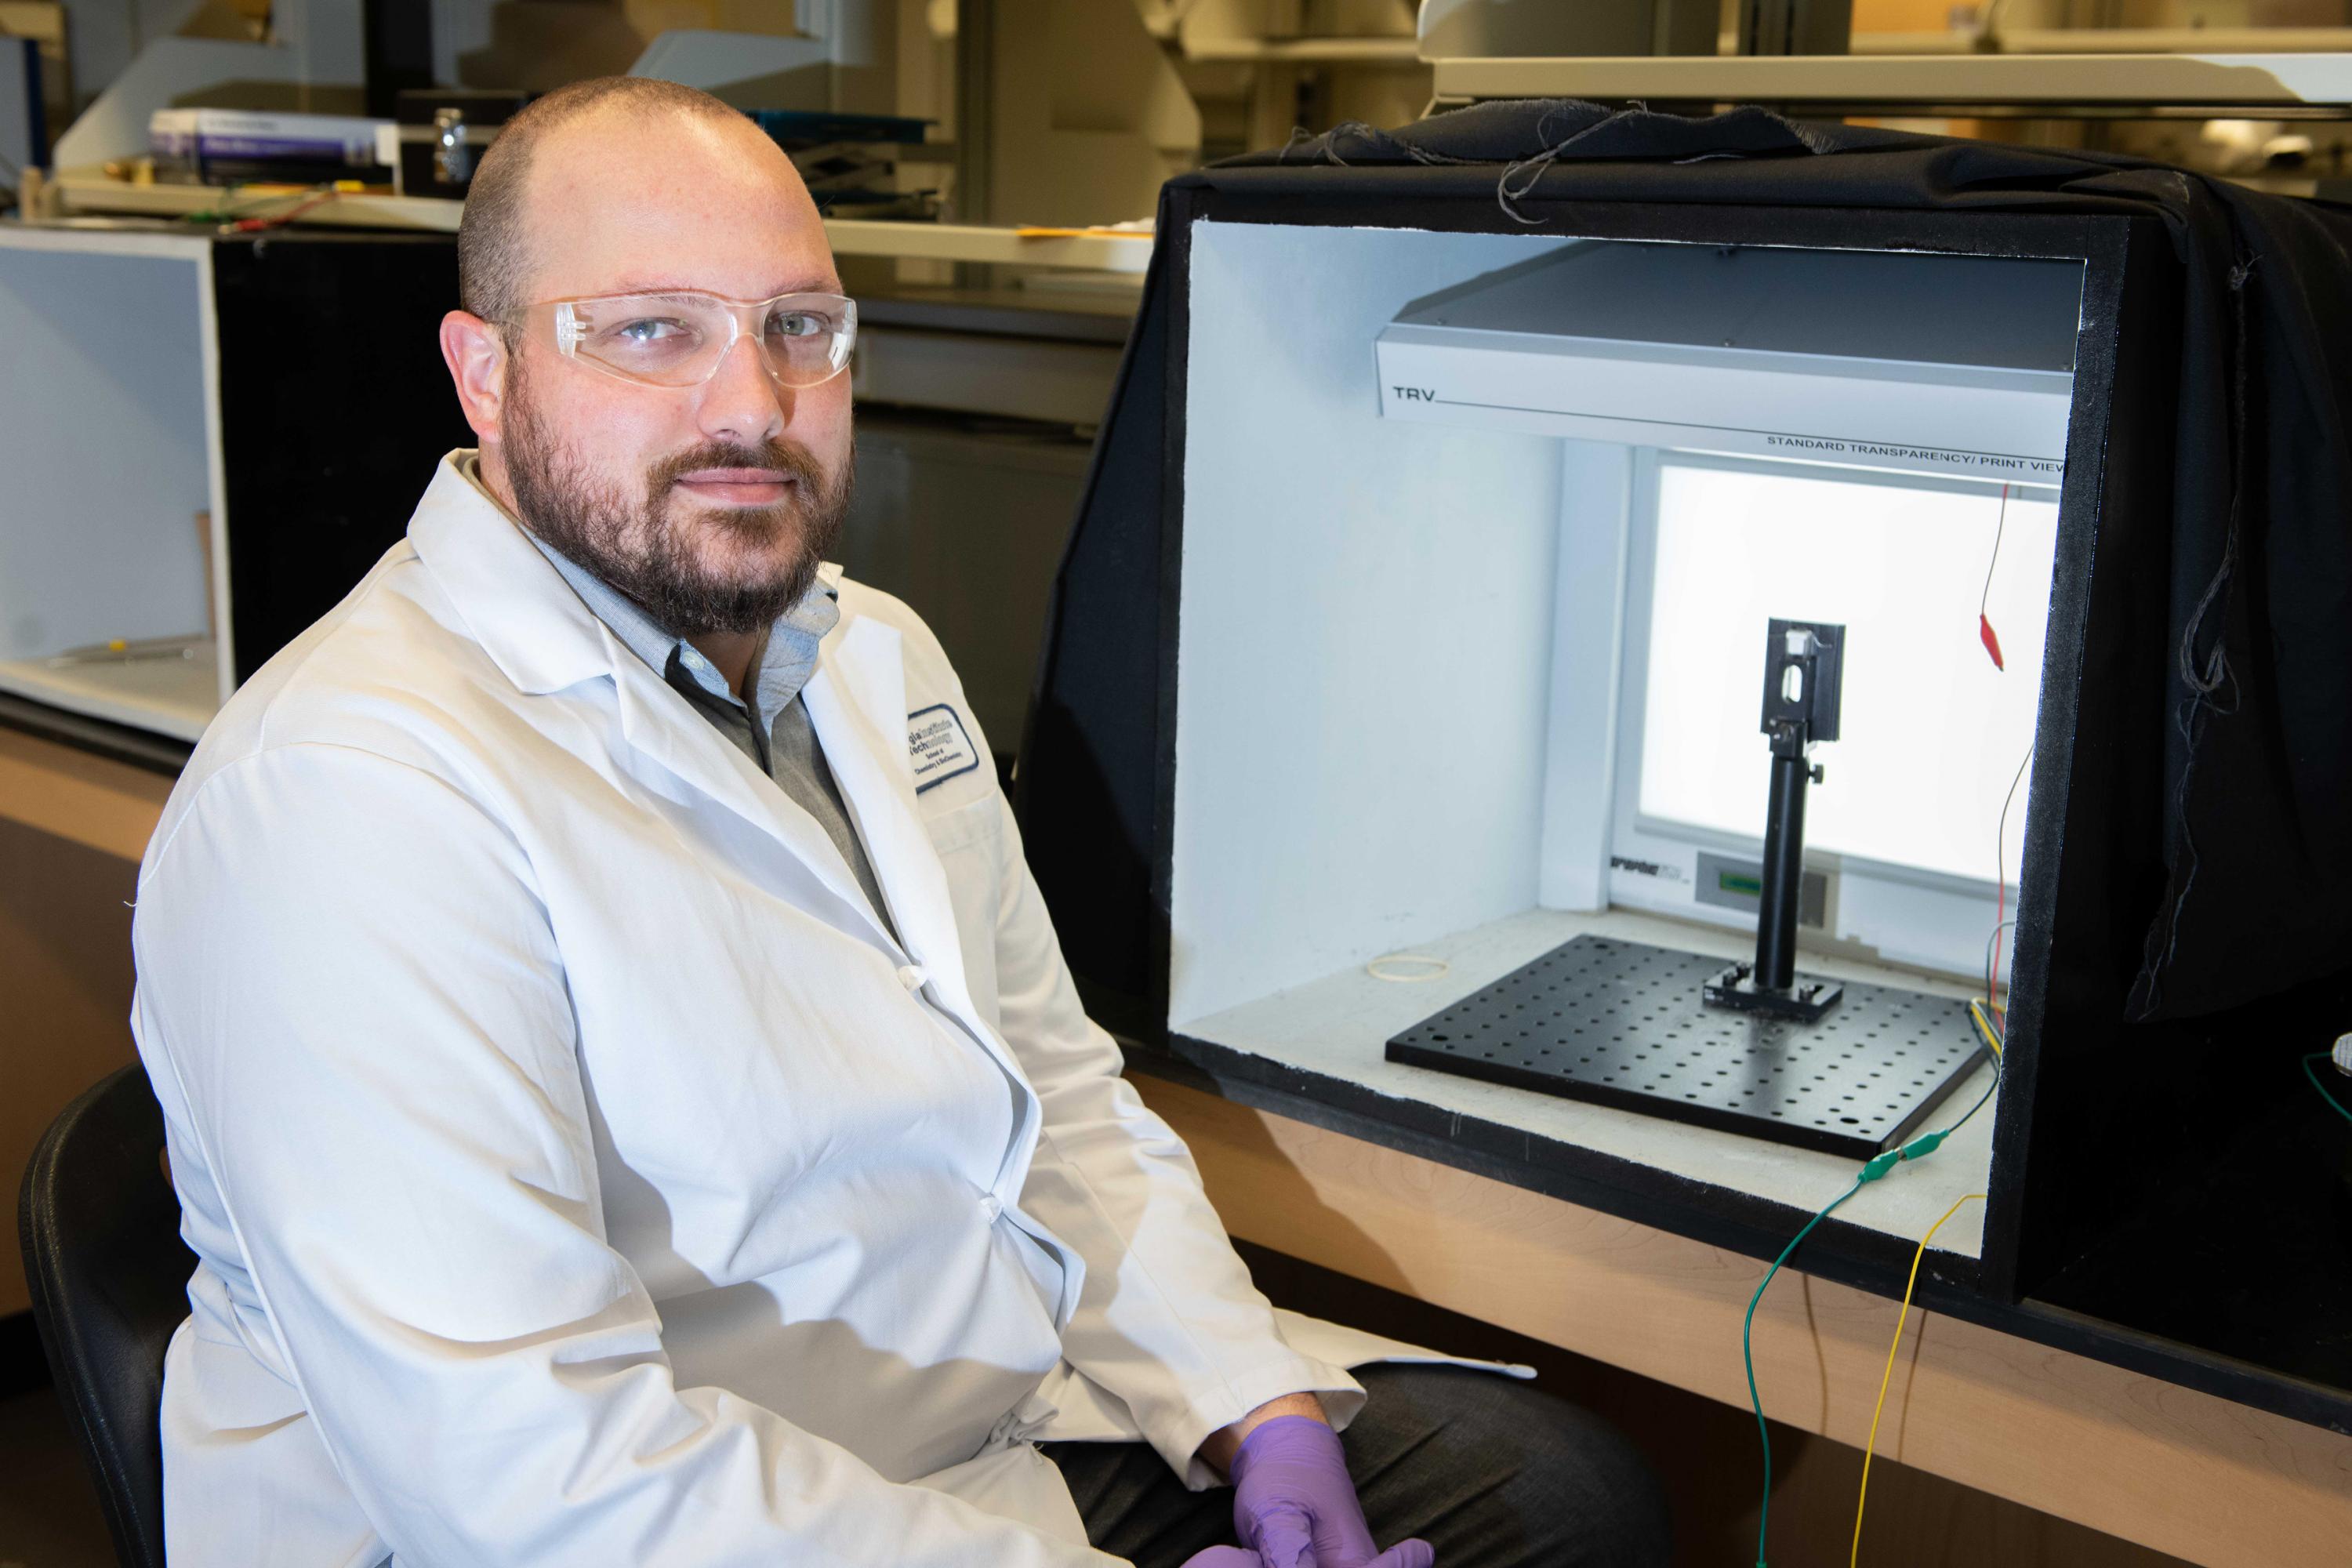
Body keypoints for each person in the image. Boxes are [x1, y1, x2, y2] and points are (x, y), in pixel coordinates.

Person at [127, 76, 1669, 1568]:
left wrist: (1247, 1405)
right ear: (485, 372)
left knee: (1562, 1497)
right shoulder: (343, 799)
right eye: (652, 330)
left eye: (799, 327)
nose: (752, 403)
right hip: (637, 1521)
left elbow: (1052, 1092)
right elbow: (536, 1481)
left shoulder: (870, 655)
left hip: (968, 1433)